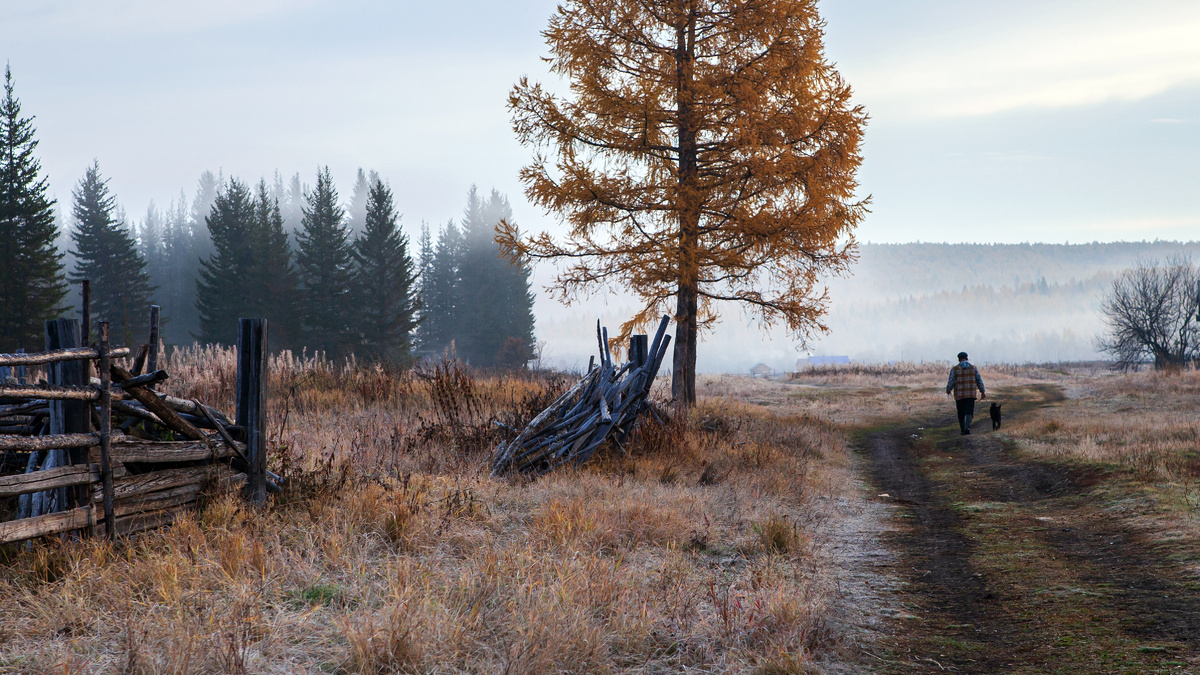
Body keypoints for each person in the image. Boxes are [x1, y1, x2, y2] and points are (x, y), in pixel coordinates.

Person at [946, 351, 985, 435]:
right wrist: (982, 391)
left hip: (959, 395)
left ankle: (962, 429)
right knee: (969, 411)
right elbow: (979, 380)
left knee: (961, 412)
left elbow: (951, 381)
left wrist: (948, 390)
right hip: (971, 394)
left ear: (959, 359)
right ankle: (967, 427)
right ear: (967, 358)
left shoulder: (955, 369)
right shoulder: (973, 368)